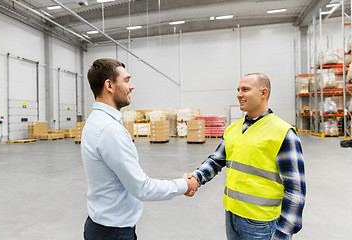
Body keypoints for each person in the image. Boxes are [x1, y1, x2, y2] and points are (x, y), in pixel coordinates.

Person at [81, 58, 199, 240]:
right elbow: (142, 188)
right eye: (127, 80)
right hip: (113, 233)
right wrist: (185, 185)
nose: (132, 86)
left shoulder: (96, 121)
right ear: (109, 86)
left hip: (102, 226)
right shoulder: (109, 130)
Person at [186, 73, 306, 240]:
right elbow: (216, 160)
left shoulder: (282, 132)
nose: (239, 94)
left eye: (245, 89)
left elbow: (295, 189)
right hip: (232, 216)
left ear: (263, 93)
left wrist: (283, 233)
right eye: (238, 90)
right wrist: (196, 178)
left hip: (261, 223)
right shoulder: (232, 129)